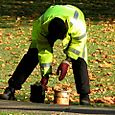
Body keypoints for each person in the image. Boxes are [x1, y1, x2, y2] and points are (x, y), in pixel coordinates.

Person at [0, 4, 90, 105]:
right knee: (33, 54)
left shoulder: (78, 26)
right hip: (47, 23)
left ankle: (84, 97)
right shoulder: (42, 27)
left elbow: (78, 45)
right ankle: (10, 90)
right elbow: (43, 51)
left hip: (74, 20)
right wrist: (45, 75)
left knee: (79, 58)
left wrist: (67, 61)